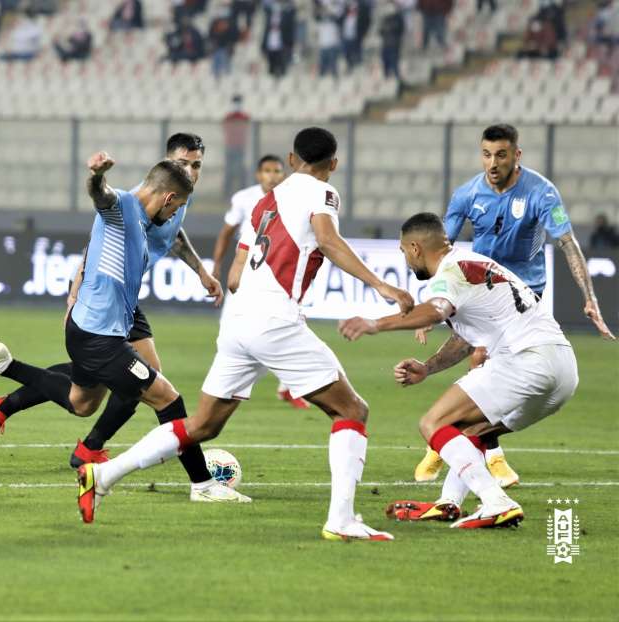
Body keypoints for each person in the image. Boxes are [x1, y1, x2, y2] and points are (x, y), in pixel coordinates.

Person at [76, 127, 414, 539]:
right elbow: (328, 240)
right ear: (334, 164)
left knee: (202, 425)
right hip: (274, 320)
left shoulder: (265, 201)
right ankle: (341, 520)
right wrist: (381, 285)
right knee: (352, 411)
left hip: (239, 321)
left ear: (291, 161)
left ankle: (103, 475)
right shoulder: (323, 193)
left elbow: (237, 270)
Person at [0, 135, 240, 504]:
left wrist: (200, 271)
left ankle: (5, 369)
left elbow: (166, 235)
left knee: (81, 402)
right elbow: (101, 197)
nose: (175, 214)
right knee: (167, 398)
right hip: (99, 332)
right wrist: (97, 175)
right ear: (168, 195)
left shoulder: (157, 210)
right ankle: (201, 483)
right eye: (176, 205)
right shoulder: (124, 207)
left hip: (102, 325)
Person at [339, 212, 578, 529]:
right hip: (563, 369)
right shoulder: (472, 264)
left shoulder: (449, 272)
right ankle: (449, 502)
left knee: (433, 422)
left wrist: (375, 324)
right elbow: (466, 339)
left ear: (415, 248)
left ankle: (497, 502)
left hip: (525, 358)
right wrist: (427, 367)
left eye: (403, 252)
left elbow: (436, 311)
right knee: (472, 432)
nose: (406, 260)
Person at [412, 124, 615, 487]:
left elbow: (567, 242)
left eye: (501, 155)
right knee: (480, 358)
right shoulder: (466, 194)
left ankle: (466, 444)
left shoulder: (541, 192)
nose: (493, 163)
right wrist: (431, 305)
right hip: (480, 287)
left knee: (486, 359)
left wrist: (590, 298)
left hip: (524, 290)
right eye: (486, 155)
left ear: (516, 155)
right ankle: (484, 451)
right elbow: (439, 249)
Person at [211, 155, 309, 410]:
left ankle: (286, 386)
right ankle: (229, 381)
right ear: (258, 174)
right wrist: (217, 264)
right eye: (267, 171)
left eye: (277, 171)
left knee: (278, 325)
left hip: (275, 273)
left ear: (283, 174)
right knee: (232, 325)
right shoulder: (244, 198)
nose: (272, 176)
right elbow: (226, 233)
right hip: (245, 269)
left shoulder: (291, 198)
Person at [222, 95, 250, 200]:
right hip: (230, 147)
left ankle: (243, 193)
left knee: (241, 171)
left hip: (240, 147)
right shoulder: (228, 117)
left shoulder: (244, 117)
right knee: (229, 171)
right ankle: (226, 194)